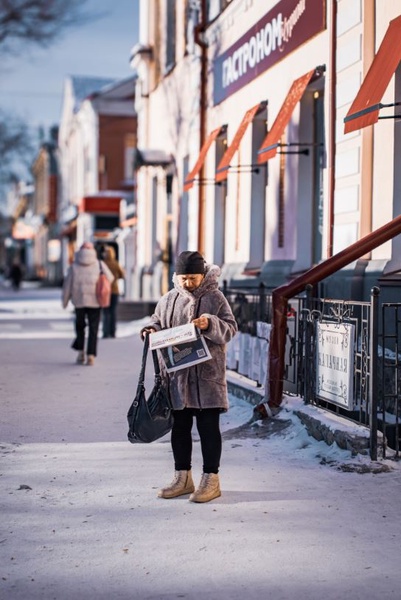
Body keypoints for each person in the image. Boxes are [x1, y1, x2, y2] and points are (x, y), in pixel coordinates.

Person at [141, 250, 238, 503]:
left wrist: (210, 324)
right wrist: (151, 329)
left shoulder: (215, 297)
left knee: (208, 428)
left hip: (207, 376)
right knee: (180, 428)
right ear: (177, 276)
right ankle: (182, 478)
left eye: (193, 278)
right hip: (177, 377)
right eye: (183, 278)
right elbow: (157, 322)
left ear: (202, 274)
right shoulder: (168, 299)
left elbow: (231, 328)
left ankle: (211, 480)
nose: (188, 283)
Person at [62, 242, 114, 366]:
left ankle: (80, 353)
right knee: (93, 328)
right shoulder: (99, 264)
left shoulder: (74, 266)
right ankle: (90, 355)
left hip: (79, 301)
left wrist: (65, 301)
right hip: (95, 301)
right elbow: (110, 278)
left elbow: (67, 286)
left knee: (80, 327)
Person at [101, 246, 125, 338]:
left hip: (104, 290)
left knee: (105, 312)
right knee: (113, 312)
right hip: (114, 290)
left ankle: (105, 332)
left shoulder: (103, 264)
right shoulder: (116, 263)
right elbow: (122, 275)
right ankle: (113, 332)